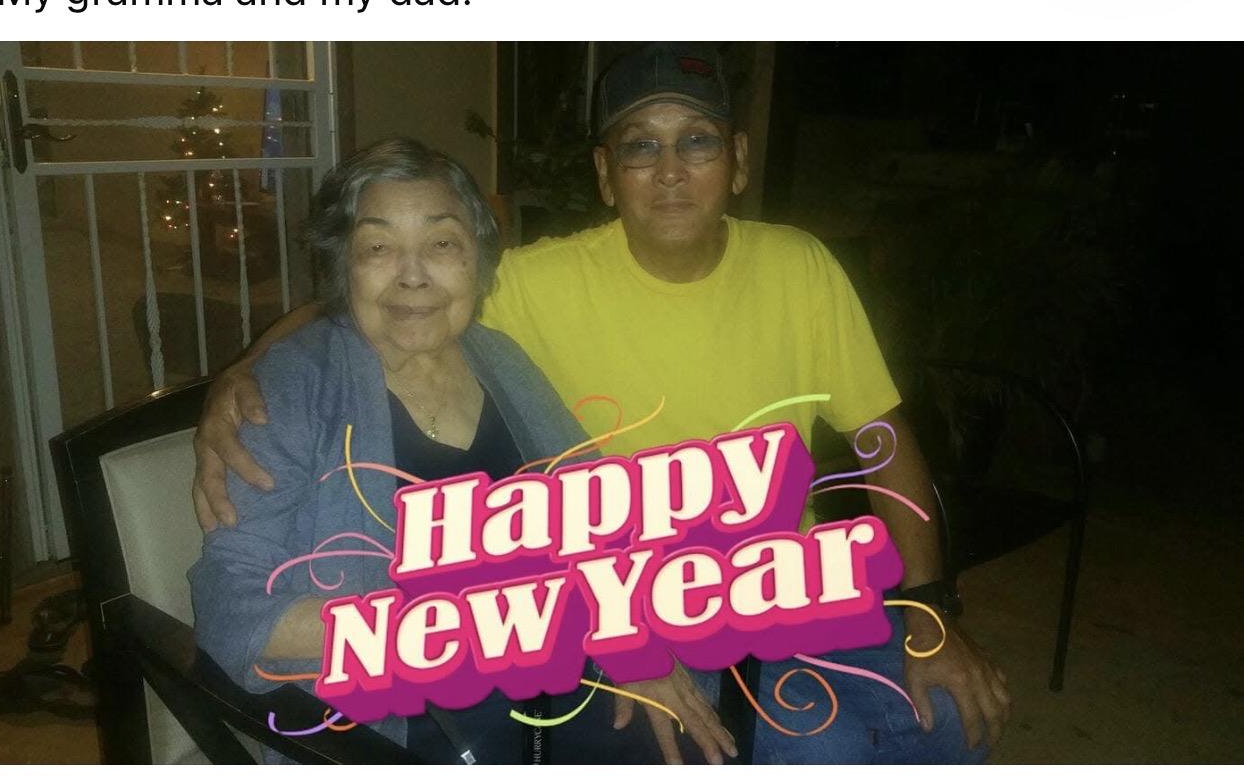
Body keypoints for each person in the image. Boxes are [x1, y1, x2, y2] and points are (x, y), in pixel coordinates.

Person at [191, 43, 1010, 764]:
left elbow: (881, 437)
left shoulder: (796, 268)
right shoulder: (530, 288)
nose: (669, 169)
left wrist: (930, 612)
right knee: (818, 748)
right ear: (605, 174)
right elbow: (382, 305)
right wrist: (247, 370)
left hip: (779, 586)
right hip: (595, 629)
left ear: (738, 160)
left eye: (696, 141)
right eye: (640, 145)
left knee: (948, 722)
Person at [187, 138, 604, 764]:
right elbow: (231, 606)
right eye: (378, 248)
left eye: (442, 244)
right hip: (393, 733)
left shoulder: (502, 360)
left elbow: (597, 512)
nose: (413, 275)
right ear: (344, 267)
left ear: (479, 263)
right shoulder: (292, 389)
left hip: (561, 691)